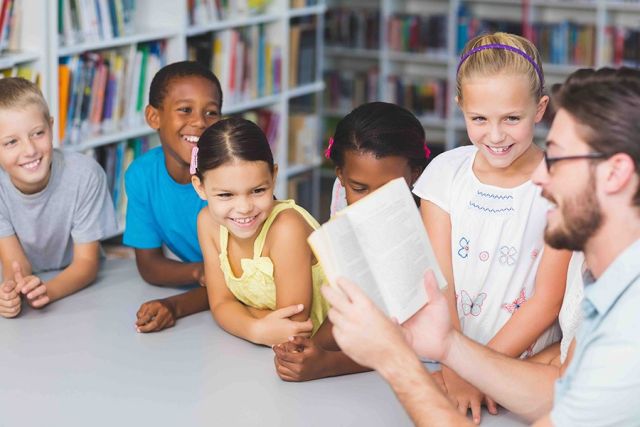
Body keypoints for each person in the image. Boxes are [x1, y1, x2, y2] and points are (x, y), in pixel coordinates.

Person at [322, 66, 640, 426]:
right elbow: (561, 390)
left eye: (556, 159)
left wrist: (395, 361)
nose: (538, 176)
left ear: (615, 173)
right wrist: (448, 347)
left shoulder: (632, 329)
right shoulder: (606, 283)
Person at [412, 33, 572, 422]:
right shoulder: (445, 174)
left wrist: (476, 370)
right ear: (460, 108)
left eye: (511, 118)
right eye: (479, 119)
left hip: (523, 374)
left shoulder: (561, 182)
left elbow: (548, 300)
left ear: (540, 109)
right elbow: (439, 282)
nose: (495, 135)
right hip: (446, 366)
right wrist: (455, 366)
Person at [273, 101, 431, 380]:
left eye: (388, 190)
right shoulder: (342, 193)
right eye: (359, 188)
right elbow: (353, 290)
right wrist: (312, 349)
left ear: (414, 175)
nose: (371, 203)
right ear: (341, 177)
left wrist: (326, 363)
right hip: (364, 340)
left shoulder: (429, 223)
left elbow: (417, 340)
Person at [191, 117, 328, 346]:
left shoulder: (286, 229)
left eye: (257, 190)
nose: (244, 208)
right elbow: (220, 303)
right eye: (226, 195)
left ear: (273, 177)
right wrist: (255, 330)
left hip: (333, 352)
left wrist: (240, 313)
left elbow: (292, 328)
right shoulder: (208, 223)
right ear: (200, 187)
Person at [0, 77, 117, 318]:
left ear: (51, 127)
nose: (30, 150)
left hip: (76, 287)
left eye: (38, 133)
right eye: (11, 142)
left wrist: (46, 291)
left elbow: (86, 264)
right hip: (31, 282)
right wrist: (13, 290)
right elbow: (15, 265)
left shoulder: (85, 175)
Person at [124, 61, 223, 332]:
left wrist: (175, 306)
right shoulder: (141, 175)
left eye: (211, 112)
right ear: (154, 117)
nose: (200, 122)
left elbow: (242, 282)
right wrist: (198, 271)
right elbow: (149, 264)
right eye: (185, 110)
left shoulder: (229, 177)